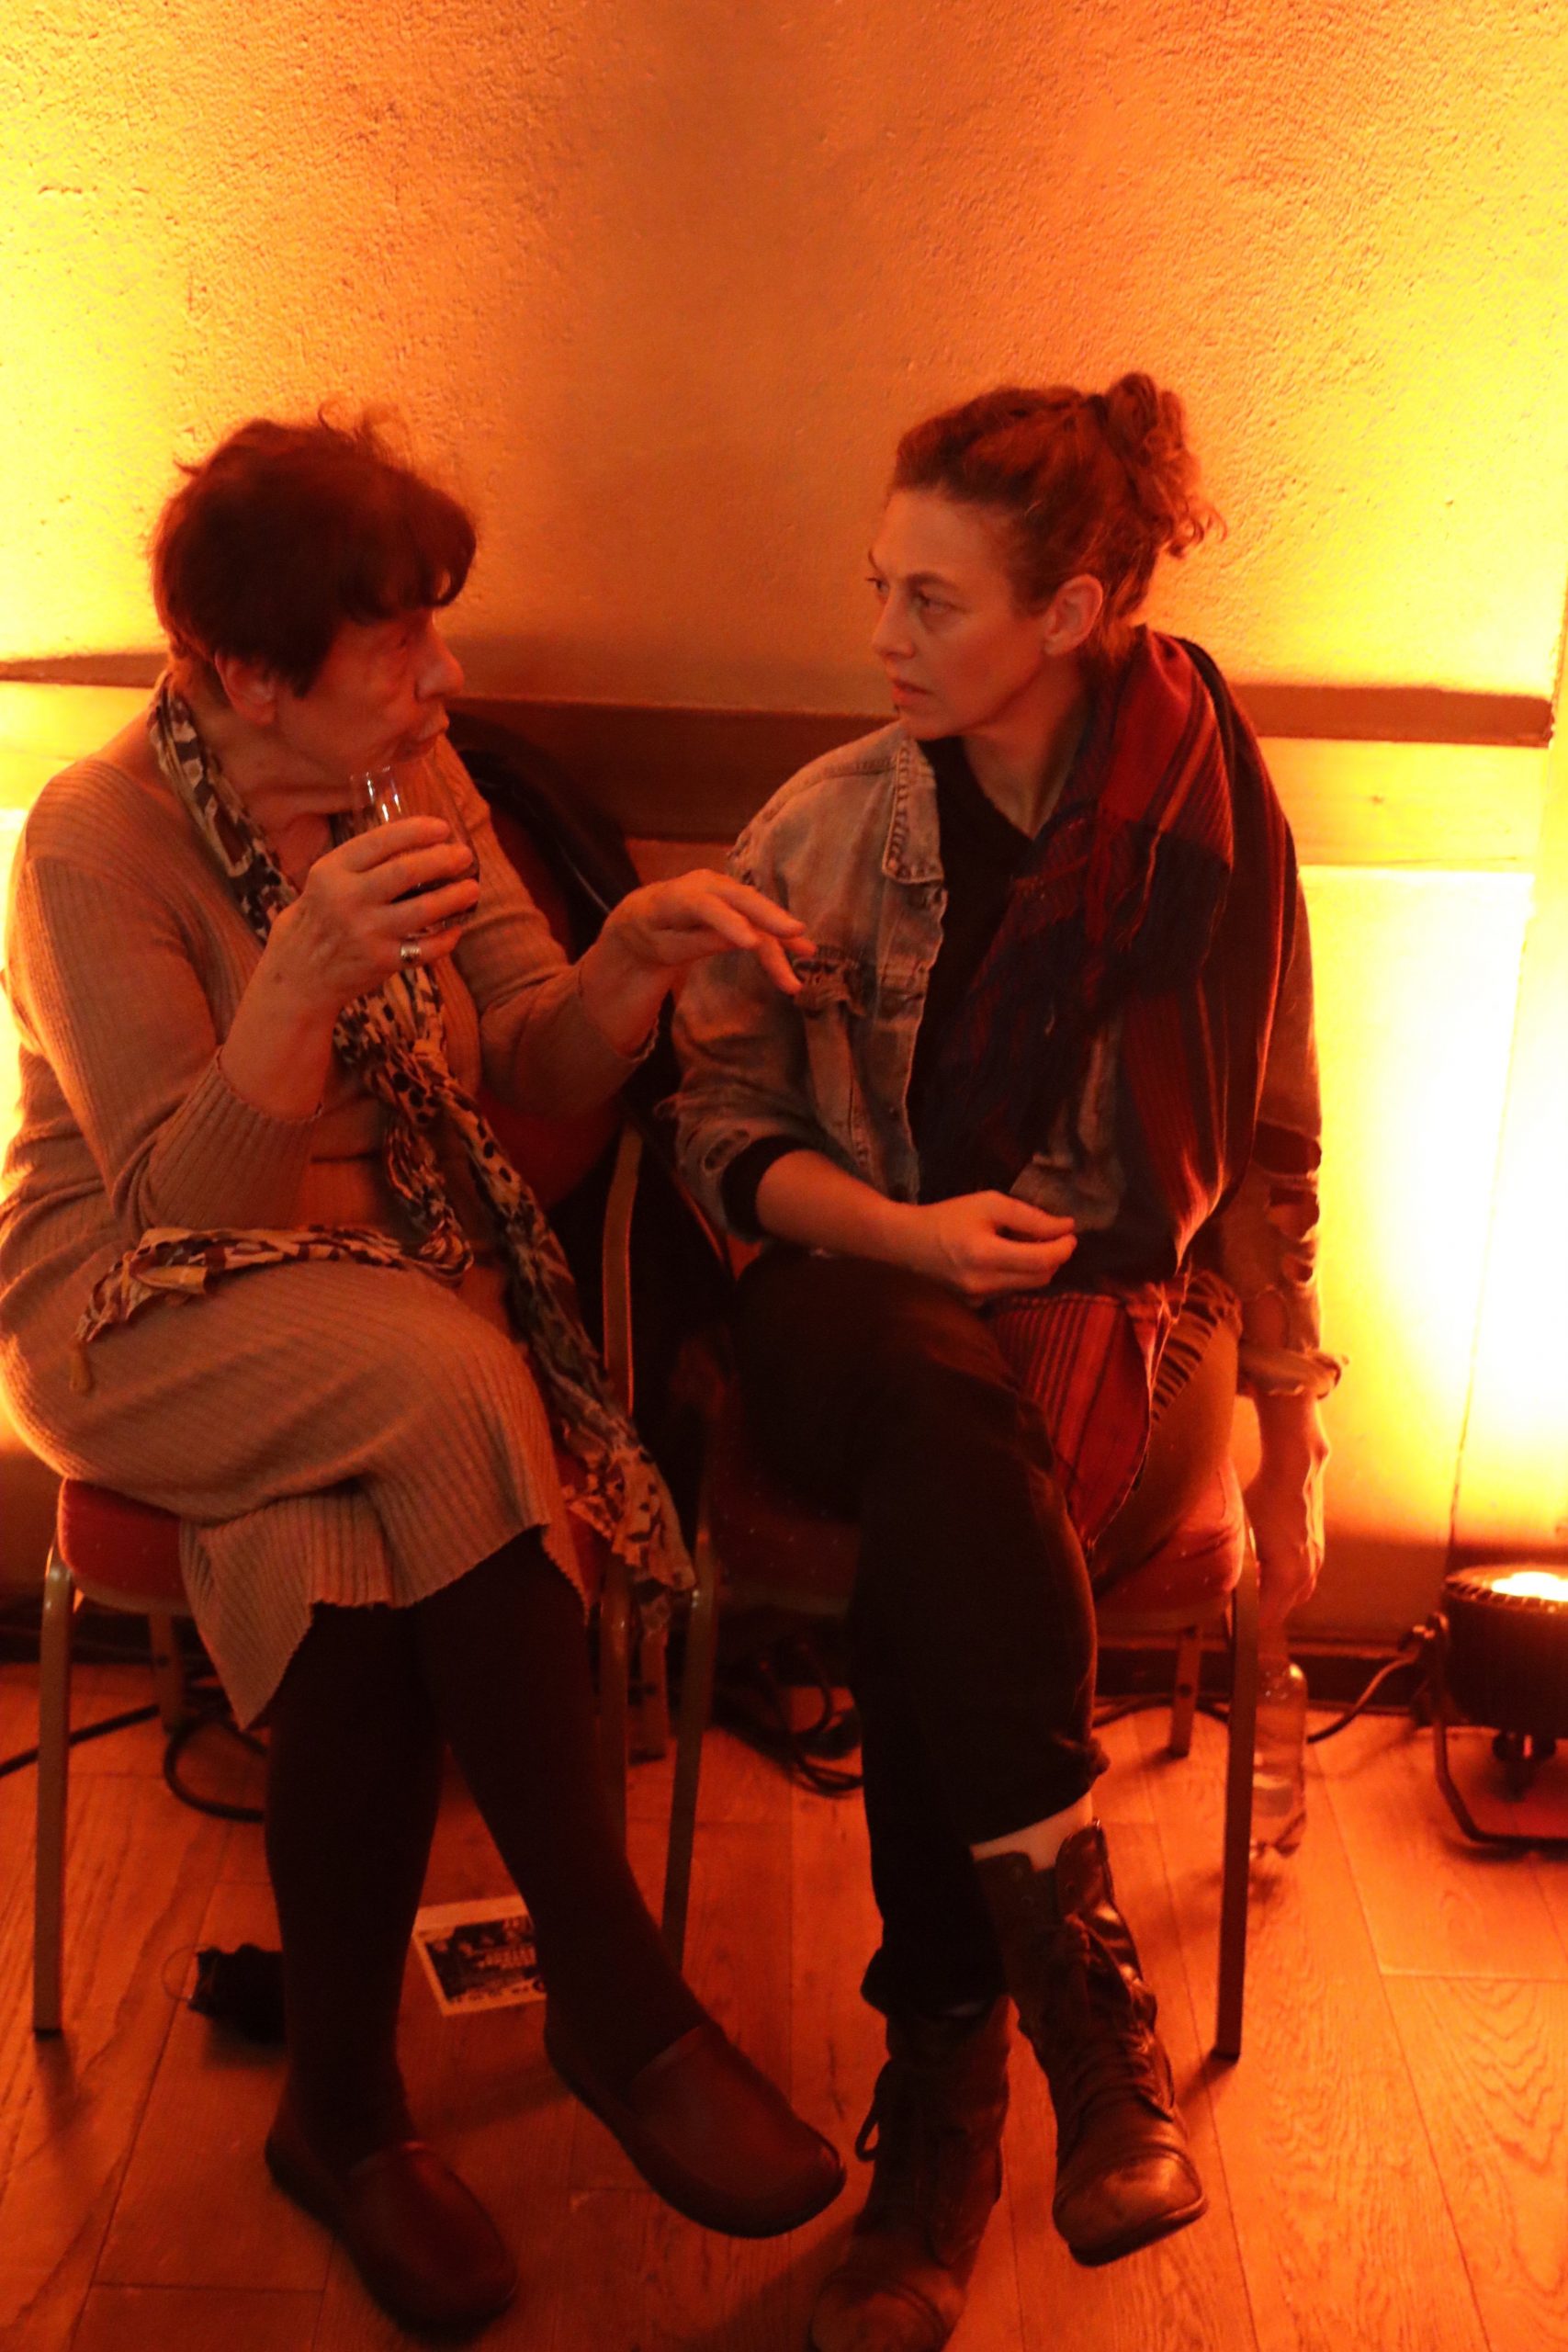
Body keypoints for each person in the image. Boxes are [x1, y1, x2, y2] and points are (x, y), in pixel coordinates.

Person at [0, 412, 843, 2335]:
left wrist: (628, 965)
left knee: (354, 1544)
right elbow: (181, 1208)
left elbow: (528, 1049)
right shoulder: (92, 840)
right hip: (128, 1301)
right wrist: (295, 986)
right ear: (246, 673)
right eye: (395, 643)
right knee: (453, 1380)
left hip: (377, 1289)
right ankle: (617, 2002)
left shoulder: (414, 779)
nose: (442, 676)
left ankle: (345, 2118)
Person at [674, 377, 1340, 2352]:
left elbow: (1271, 1142)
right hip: (845, 1291)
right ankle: (1083, 2009)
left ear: (1074, 609)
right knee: (935, 1402)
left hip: (1123, 1316)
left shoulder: (1211, 820)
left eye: (932, 600)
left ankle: (943, 2115)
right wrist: (914, 1237)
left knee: (943, 1531)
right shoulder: (828, 822)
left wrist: (1291, 1422)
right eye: (878, 586)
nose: (882, 635)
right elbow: (716, 1135)